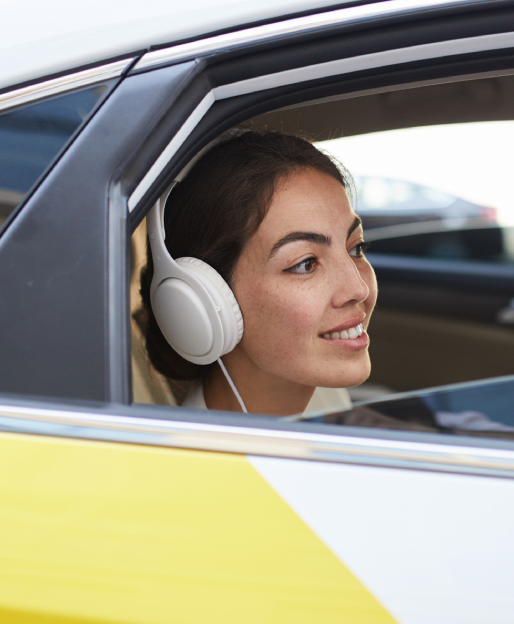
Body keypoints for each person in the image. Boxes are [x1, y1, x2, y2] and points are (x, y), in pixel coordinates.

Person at [140, 130, 377, 416]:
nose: (359, 288)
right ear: (207, 299)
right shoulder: (205, 458)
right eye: (305, 264)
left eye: (356, 248)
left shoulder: (325, 398)